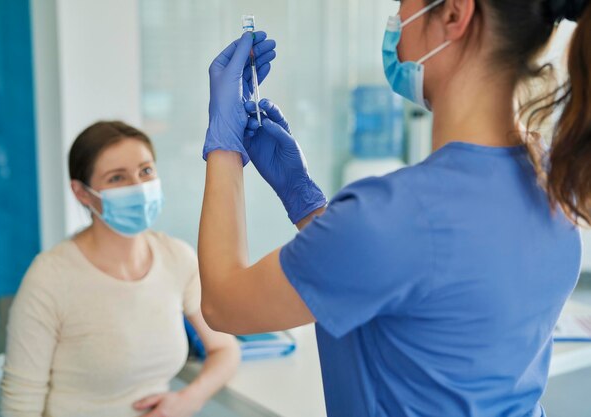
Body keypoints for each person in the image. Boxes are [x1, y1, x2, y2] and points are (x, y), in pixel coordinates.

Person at [198, 0, 591, 416]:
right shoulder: (551, 178)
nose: (396, 22)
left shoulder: (404, 213)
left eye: (403, 4)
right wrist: (303, 198)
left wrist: (225, 144)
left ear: (455, 14)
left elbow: (222, 304)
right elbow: (407, 276)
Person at [1, 121, 240, 417]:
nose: (138, 187)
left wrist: (189, 398)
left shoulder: (176, 258)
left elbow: (225, 350)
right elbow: (20, 405)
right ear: (82, 193)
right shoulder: (49, 277)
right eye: (117, 178)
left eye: (145, 171)